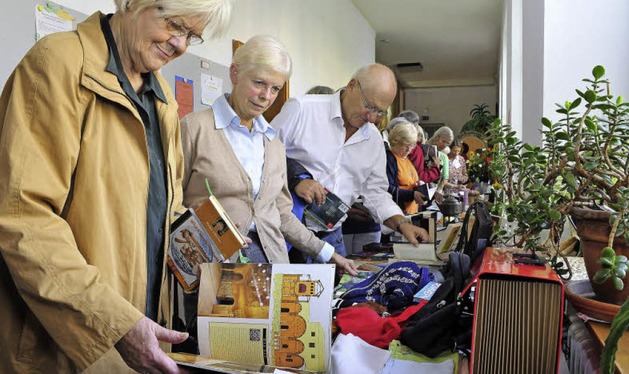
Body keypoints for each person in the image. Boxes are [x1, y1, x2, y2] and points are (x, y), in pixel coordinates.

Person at [0, 0, 232, 372]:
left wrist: (208, 240)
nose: (181, 45)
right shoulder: (58, 63)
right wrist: (114, 323)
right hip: (69, 340)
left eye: (193, 36)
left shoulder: (163, 98)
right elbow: (24, 217)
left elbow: (159, 207)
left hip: (138, 331)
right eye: (174, 25)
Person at [180, 36, 357, 275]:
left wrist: (328, 253)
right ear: (234, 74)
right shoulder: (194, 128)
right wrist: (210, 237)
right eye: (259, 83)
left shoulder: (273, 143)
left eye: (275, 88)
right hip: (214, 271)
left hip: (274, 267)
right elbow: (172, 204)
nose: (266, 96)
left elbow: (282, 214)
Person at [271, 63, 430, 255]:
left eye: (381, 112)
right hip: (286, 233)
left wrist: (402, 224)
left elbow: (376, 193)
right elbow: (263, 154)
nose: (372, 118)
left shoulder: (373, 140)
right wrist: (296, 179)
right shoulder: (303, 109)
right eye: (369, 106)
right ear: (352, 85)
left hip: (332, 236)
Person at [385, 121, 426, 214]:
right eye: (405, 146)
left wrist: (419, 186)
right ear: (395, 141)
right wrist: (412, 195)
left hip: (412, 212)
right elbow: (387, 189)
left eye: (411, 146)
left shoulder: (407, 159)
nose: (409, 150)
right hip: (398, 213)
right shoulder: (389, 159)